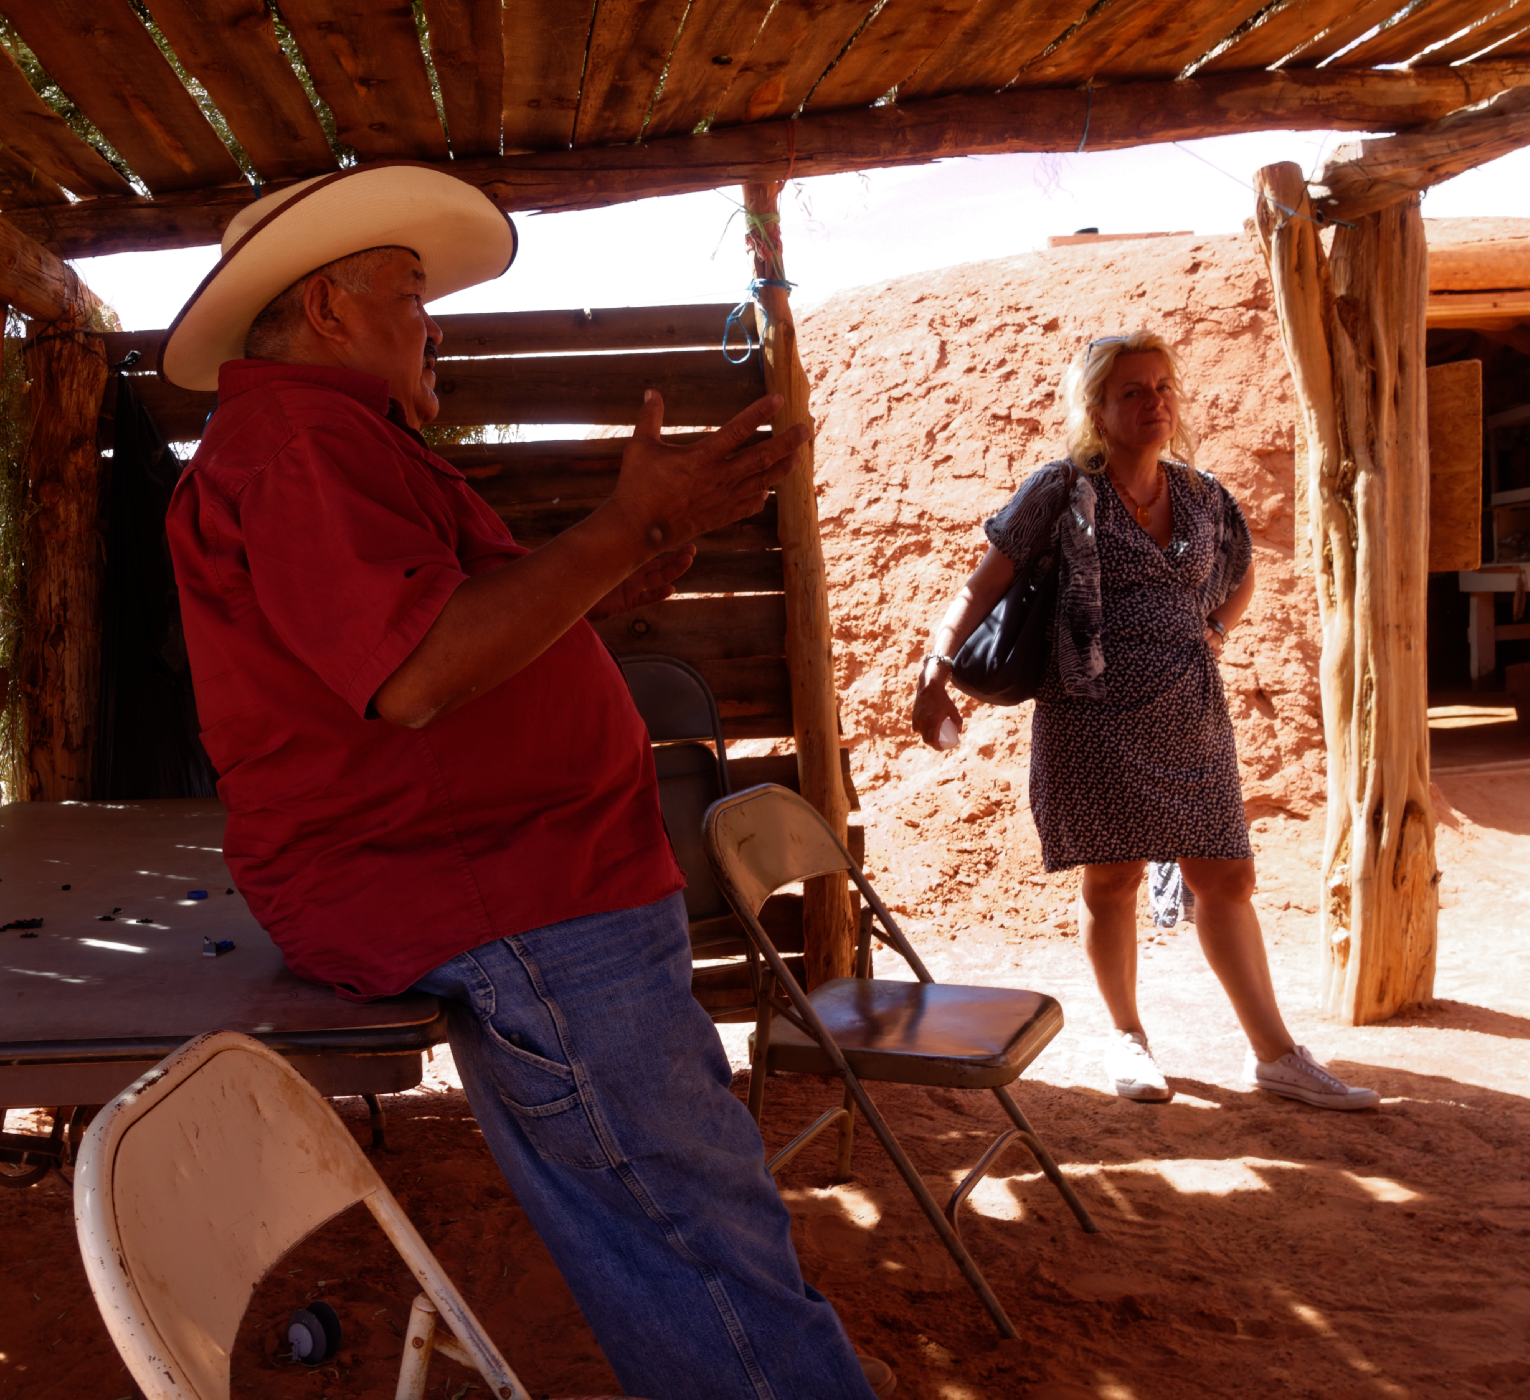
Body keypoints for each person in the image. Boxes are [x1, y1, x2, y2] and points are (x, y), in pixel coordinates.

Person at [160, 163, 892, 1399]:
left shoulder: (329, 439)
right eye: (408, 290)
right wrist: (613, 533)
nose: (429, 317)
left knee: (673, 1224)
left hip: (515, 882)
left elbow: (455, 647)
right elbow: (416, 673)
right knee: (695, 1233)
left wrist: (609, 572)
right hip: (507, 890)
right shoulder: (295, 443)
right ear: (331, 308)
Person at [910, 330, 1378, 1112]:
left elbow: (1241, 570)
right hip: (1090, 716)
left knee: (1226, 875)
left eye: (1163, 387)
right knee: (1113, 878)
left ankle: (1277, 1055)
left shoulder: (1200, 494)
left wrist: (1217, 630)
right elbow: (979, 585)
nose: (1155, 402)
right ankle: (1129, 1038)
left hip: (1190, 714)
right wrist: (936, 665)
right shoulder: (1061, 490)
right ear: (1097, 408)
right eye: (1133, 391)